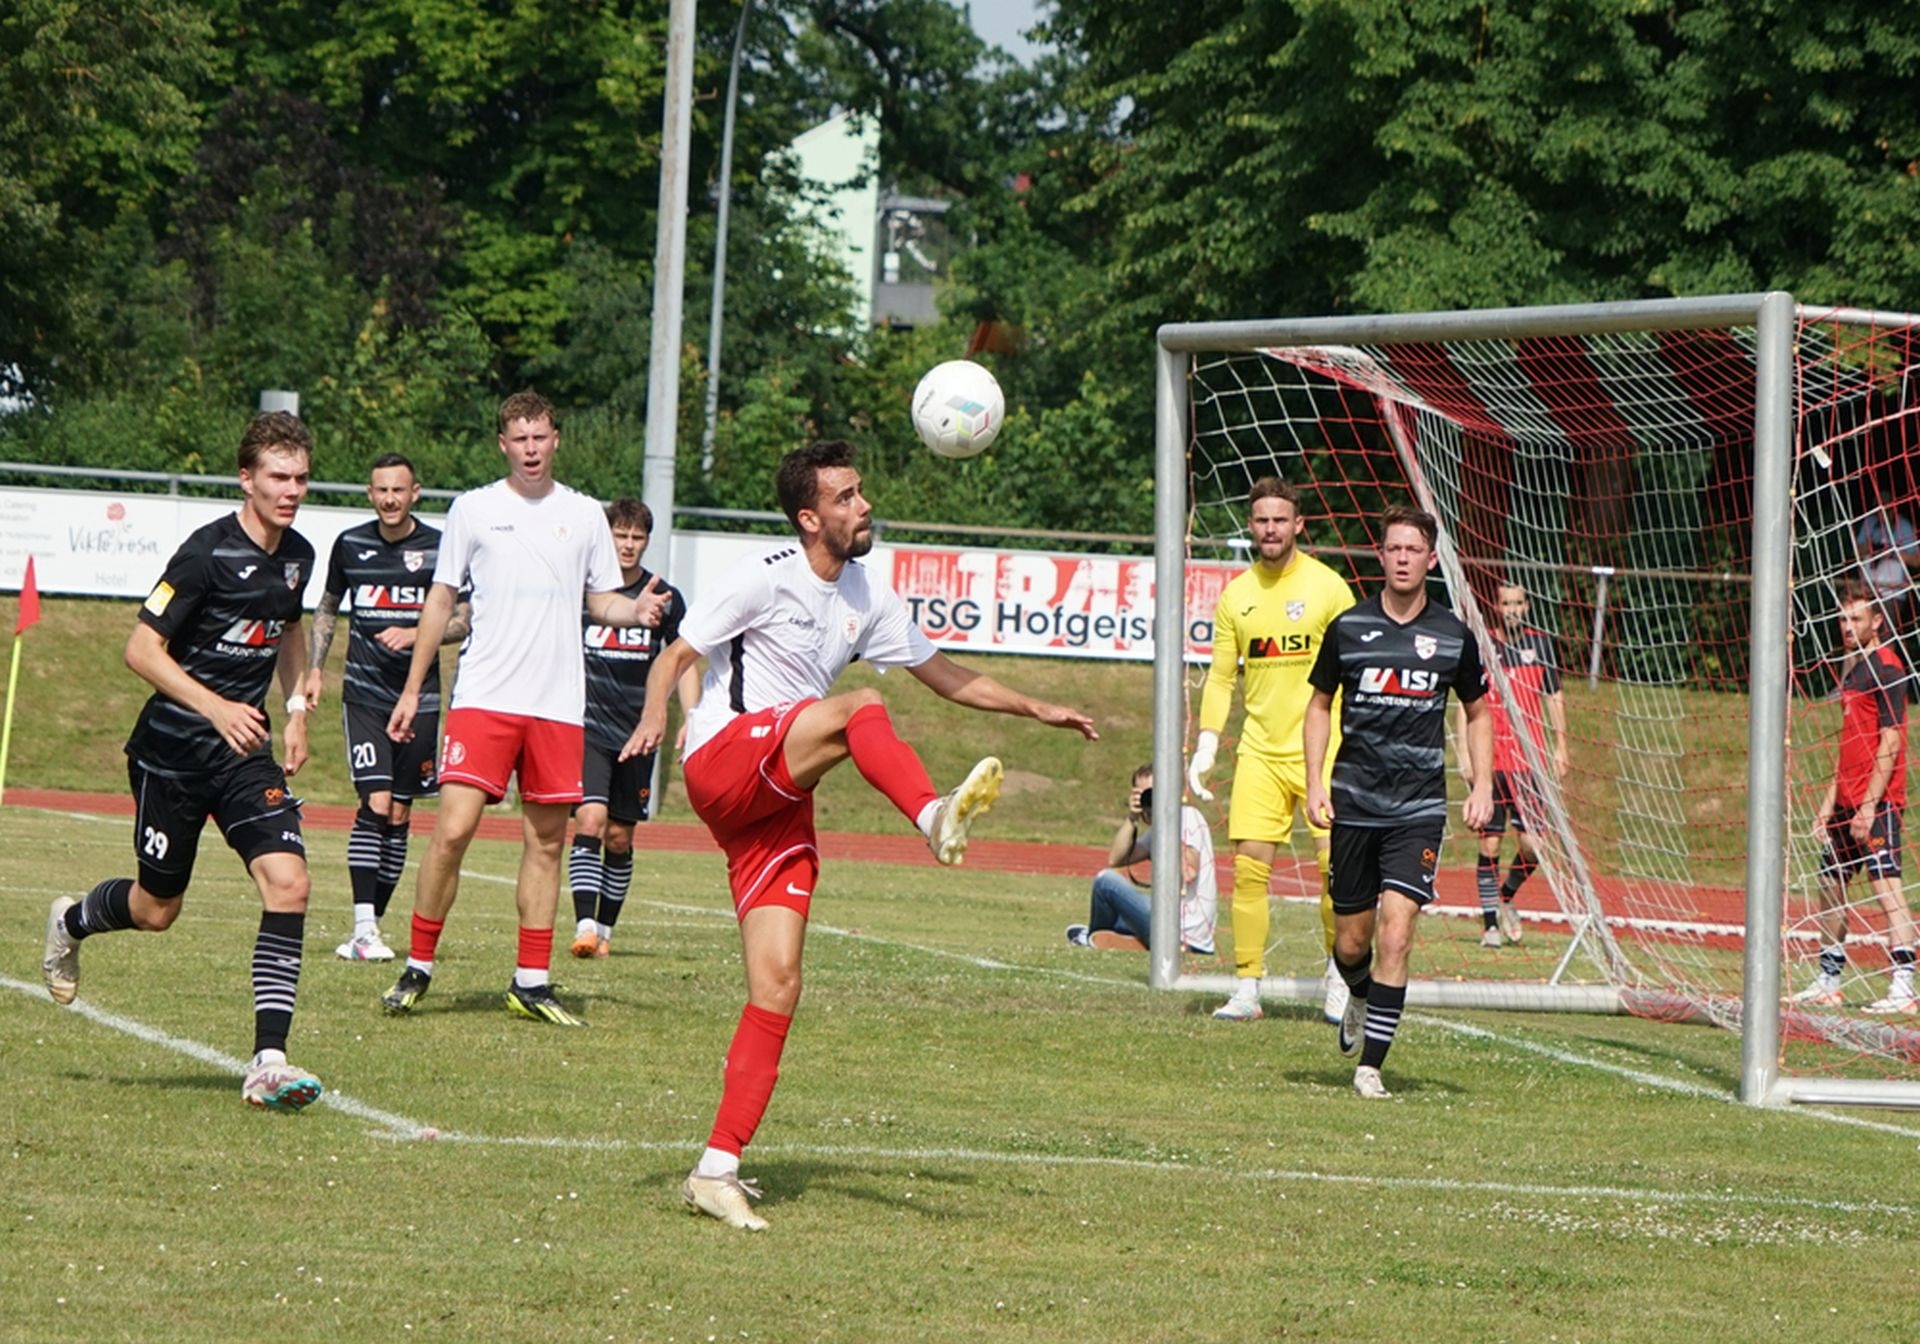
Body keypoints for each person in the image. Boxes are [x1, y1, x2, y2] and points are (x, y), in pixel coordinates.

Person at [624, 439, 1098, 1231]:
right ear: (809, 518)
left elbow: (944, 674)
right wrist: (652, 721)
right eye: (845, 497)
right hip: (725, 759)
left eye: (860, 491)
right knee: (862, 708)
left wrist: (1036, 707)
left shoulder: (867, 592)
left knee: (778, 986)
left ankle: (715, 1169)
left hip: (777, 803)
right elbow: (676, 655)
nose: (864, 505)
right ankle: (931, 816)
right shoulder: (764, 576)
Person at [40, 411, 326, 1112]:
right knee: (156, 909)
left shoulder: (299, 554)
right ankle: (72, 921)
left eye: (301, 478)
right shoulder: (205, 553)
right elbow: (140, 650)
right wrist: (216, 707)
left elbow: (289, 628)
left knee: (289, 883)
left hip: (244, 756)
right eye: (278, 477)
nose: (291, 491)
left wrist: (294, 708)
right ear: (247, 479)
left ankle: (268, 1062)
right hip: (171, 756)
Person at [380, 391, 668, 1027]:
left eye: (541, 437)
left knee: (546, 843)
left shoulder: (585, 514)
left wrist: (636, 611)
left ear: (556, 439)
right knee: (452, 831)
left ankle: (531, 982)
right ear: (503, 444)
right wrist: (413, 688)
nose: (531, 449)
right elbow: (440, 601)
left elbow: (601, 601)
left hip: (558, 707)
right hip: (485, 698)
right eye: (520, 439)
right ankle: (418, 965)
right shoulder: (474, 509)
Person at [1305, 507, 1492, 1099]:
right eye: (1395, 549)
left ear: (1431, 560)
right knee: (1350, 943)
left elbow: (1478, 710)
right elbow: (1318, 705)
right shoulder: (1348, 628)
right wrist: (1314, 782)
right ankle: (1359, 994)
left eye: (1414, 549)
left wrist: (1482, 784)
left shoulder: (1454, 635)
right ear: (1381, 556)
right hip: (1354, 803)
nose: (1404, 558)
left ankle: (1370, 1068)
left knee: (1396, 934)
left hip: (1417, 810)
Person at [1188, 477, 1355, 1023]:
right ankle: (1247, 987)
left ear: (1298, 524)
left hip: (1323, 752)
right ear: (1251, 525)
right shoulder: (1236, 596)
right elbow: (1220, 678)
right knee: (1249, 871)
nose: (1271, 529)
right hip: (1259, 752)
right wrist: (1207, 742)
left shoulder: (1330, 588)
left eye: (1280, 519)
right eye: (1261, 520)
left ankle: (1339, 976)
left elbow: (1355, 671)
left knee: (1337, 871)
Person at [304, 453, 470, 962]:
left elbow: (464, 620)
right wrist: (315, 668)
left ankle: (368, 929)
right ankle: (363, 928)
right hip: (365, 694)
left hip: (420, 697)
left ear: (415, 493)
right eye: (382, 490)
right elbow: (327, 607)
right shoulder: (350, 544)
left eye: (399, 490)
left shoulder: (440, 548)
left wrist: (420, 633)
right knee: (375, 803)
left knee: (399, 812)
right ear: (370, 494)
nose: (390, 499)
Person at [568, 497, 699, 959]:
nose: (627, 544)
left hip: (639, 732)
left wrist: (693, 718)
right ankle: (584, 926)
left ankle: (605, 931)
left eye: (636, 537)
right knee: (590, 819)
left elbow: (683, 661)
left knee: (620, 837)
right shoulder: (583, 590)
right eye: (619, 535)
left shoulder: (664, 597)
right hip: (586, 727)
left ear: (647, 542)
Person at [1793, 581, 1915, 1014]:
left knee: (1887, 890)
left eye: (1856, 618)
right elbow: (1850, 745)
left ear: (1877, 621)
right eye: (1842, 618)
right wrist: (1829, 807)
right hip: (1846, 804)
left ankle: (1903, 987)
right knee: (1830, 884)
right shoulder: (1854, 670)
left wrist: (1867, 807)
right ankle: (1829, 980)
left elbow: (1890, 742)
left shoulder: (1888, 668)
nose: (1847, 626)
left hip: (1876, 805)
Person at [1456, 581, 1567, 949]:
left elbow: (1554, 696)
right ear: (1497, 607)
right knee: (1489, 845)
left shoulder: (1542, 646)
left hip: (1528, 763)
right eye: (1506, 603)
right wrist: (1465, 755)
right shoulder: (1483, 645)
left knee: (1534, 846)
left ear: (1527, 606)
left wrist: (1561, 745)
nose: (1512, 609)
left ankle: (1506, 896)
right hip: (1491, 762)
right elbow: (1466, 703)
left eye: (1518, 603)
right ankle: (1489, 925)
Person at [1065, 762, 1216, 954]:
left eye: (1154, 792)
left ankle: (1094, 936)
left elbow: (1188, 872)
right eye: (1143, 794)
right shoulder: (1158, 829)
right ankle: (1127, 939)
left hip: (1184, 931)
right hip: (1173, 925)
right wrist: (1132, 818)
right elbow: (1116, 859)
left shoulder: (1188, 816)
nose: (1150, 799)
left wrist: (1167, 819)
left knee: (1105, 881)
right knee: (1114, 903)